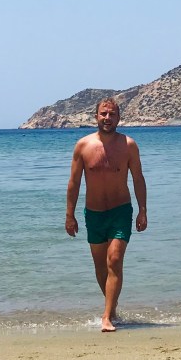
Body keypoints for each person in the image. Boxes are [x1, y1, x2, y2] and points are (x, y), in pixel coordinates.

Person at [65, 97, 147, 332]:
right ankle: (113, 307)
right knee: (100, 266)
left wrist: (143, 210)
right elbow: (74, 183)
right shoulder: (83, 145)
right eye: (103, 114)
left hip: (121, 211)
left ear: (119, 117)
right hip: (94, 214)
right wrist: (69, 215)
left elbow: (138, 179)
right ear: (96, 117)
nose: (107, 118)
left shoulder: (128, 145)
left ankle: (106, 317)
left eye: (112, 114)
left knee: (114, 260)